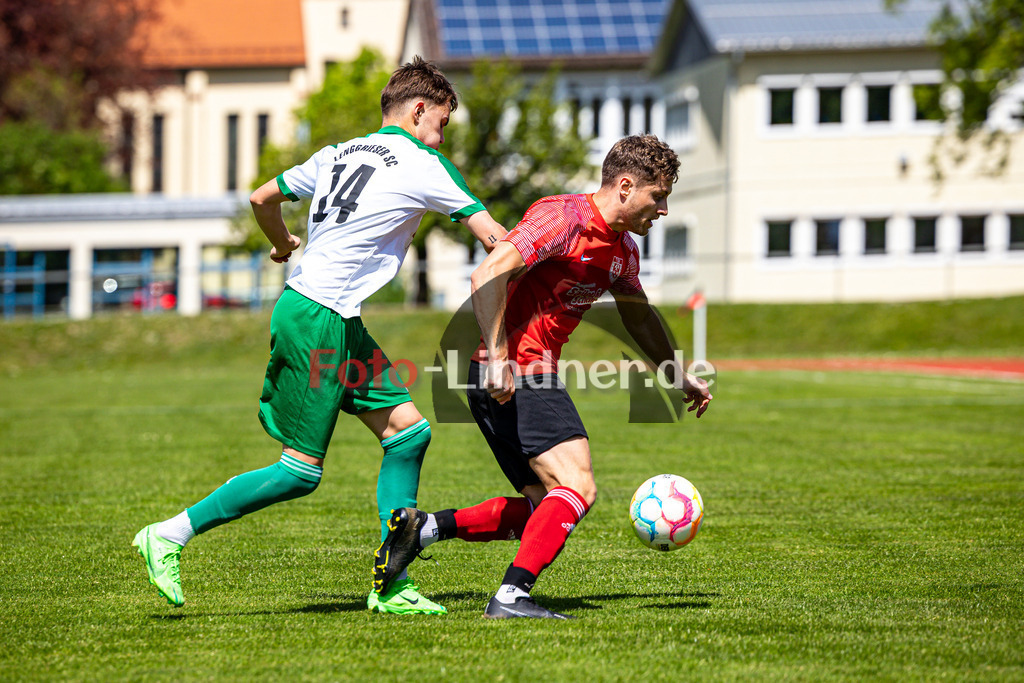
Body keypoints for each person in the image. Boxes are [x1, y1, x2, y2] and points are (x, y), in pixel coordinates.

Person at [132, 56, 506, 615]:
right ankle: (170, 533)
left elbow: (261, 197)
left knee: (408, 433)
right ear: (420, 109)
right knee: (300, 471)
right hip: (318, 317)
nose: (442, 137)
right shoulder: (425, 163)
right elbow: (494, 236)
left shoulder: (337, 153)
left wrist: (282, 244)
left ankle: (391, 583)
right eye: (443, 124)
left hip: (329, 313)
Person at [372, 134, 712, 619]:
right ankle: (511, 597)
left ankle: (424, 528)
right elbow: (488, 272)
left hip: (511, 369)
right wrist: (499, 354)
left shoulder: (622, 252)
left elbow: (639, 317)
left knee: (541, 507)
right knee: (578, 485)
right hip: (516, 366)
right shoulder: (563, 218)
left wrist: (678, 375)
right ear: (625, 185)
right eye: (657, 197)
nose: (661, 210)